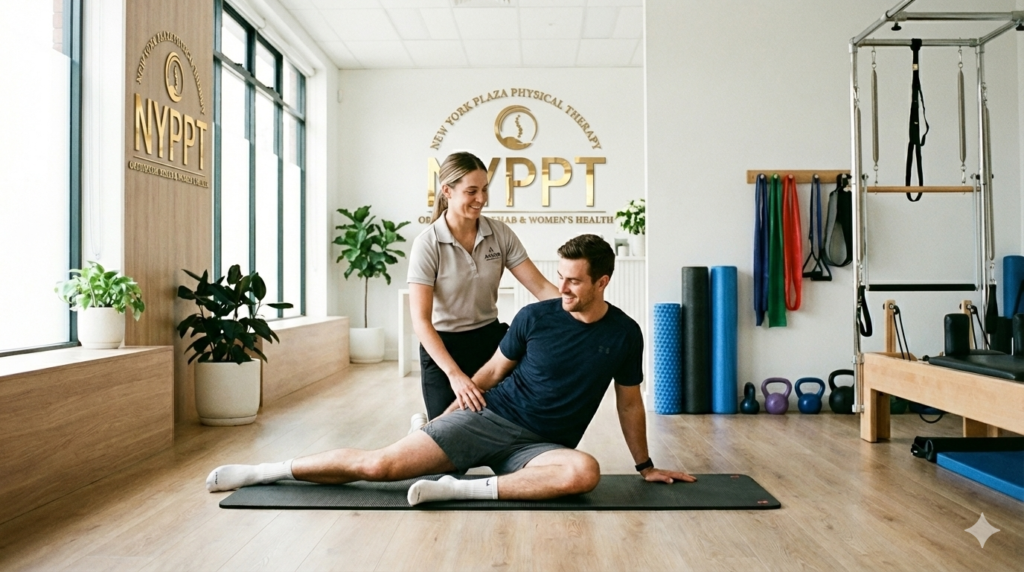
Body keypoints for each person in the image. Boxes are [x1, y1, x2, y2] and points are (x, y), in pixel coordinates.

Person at [206, 235, 696, 505]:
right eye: (560, 278)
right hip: (489, 417)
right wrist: (449, 418)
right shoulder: (534, 317)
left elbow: (628, 400)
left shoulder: (625, 333)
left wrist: (645, 466)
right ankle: (263, 472)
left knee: (583, 471)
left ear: (602, 282)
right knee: (379, 466)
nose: (560, 288)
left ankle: (461, 489)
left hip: (542, 448)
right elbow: (492, 372)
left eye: (572, 282)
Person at [408, 151, 558, 428]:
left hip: (489, 340)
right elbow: (420, 320)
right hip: (444, 346)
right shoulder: (427, 243)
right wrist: (454, 374)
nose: (481, 199)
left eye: (485, 189)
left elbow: (540, 286)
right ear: (447, 191)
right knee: (448, 433)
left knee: (506, 422)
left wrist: (579, 309)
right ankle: (422, 429)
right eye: (472, 191)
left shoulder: (499, 234)